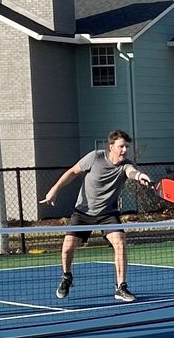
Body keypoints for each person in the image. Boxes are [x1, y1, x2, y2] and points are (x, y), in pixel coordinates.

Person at [44, 130, 158, 303]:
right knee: (67, 248)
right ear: (111, 147)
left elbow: (132, 172)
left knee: (120, 243)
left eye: (127, 147)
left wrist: (140, 176)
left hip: (108, 214)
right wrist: (54, 190)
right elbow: (73, 172)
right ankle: (67, 277)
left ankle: (121, 287)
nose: (125, 150)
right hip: (83, 212)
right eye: (121, 146)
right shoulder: (95, 157)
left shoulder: (126, 165)